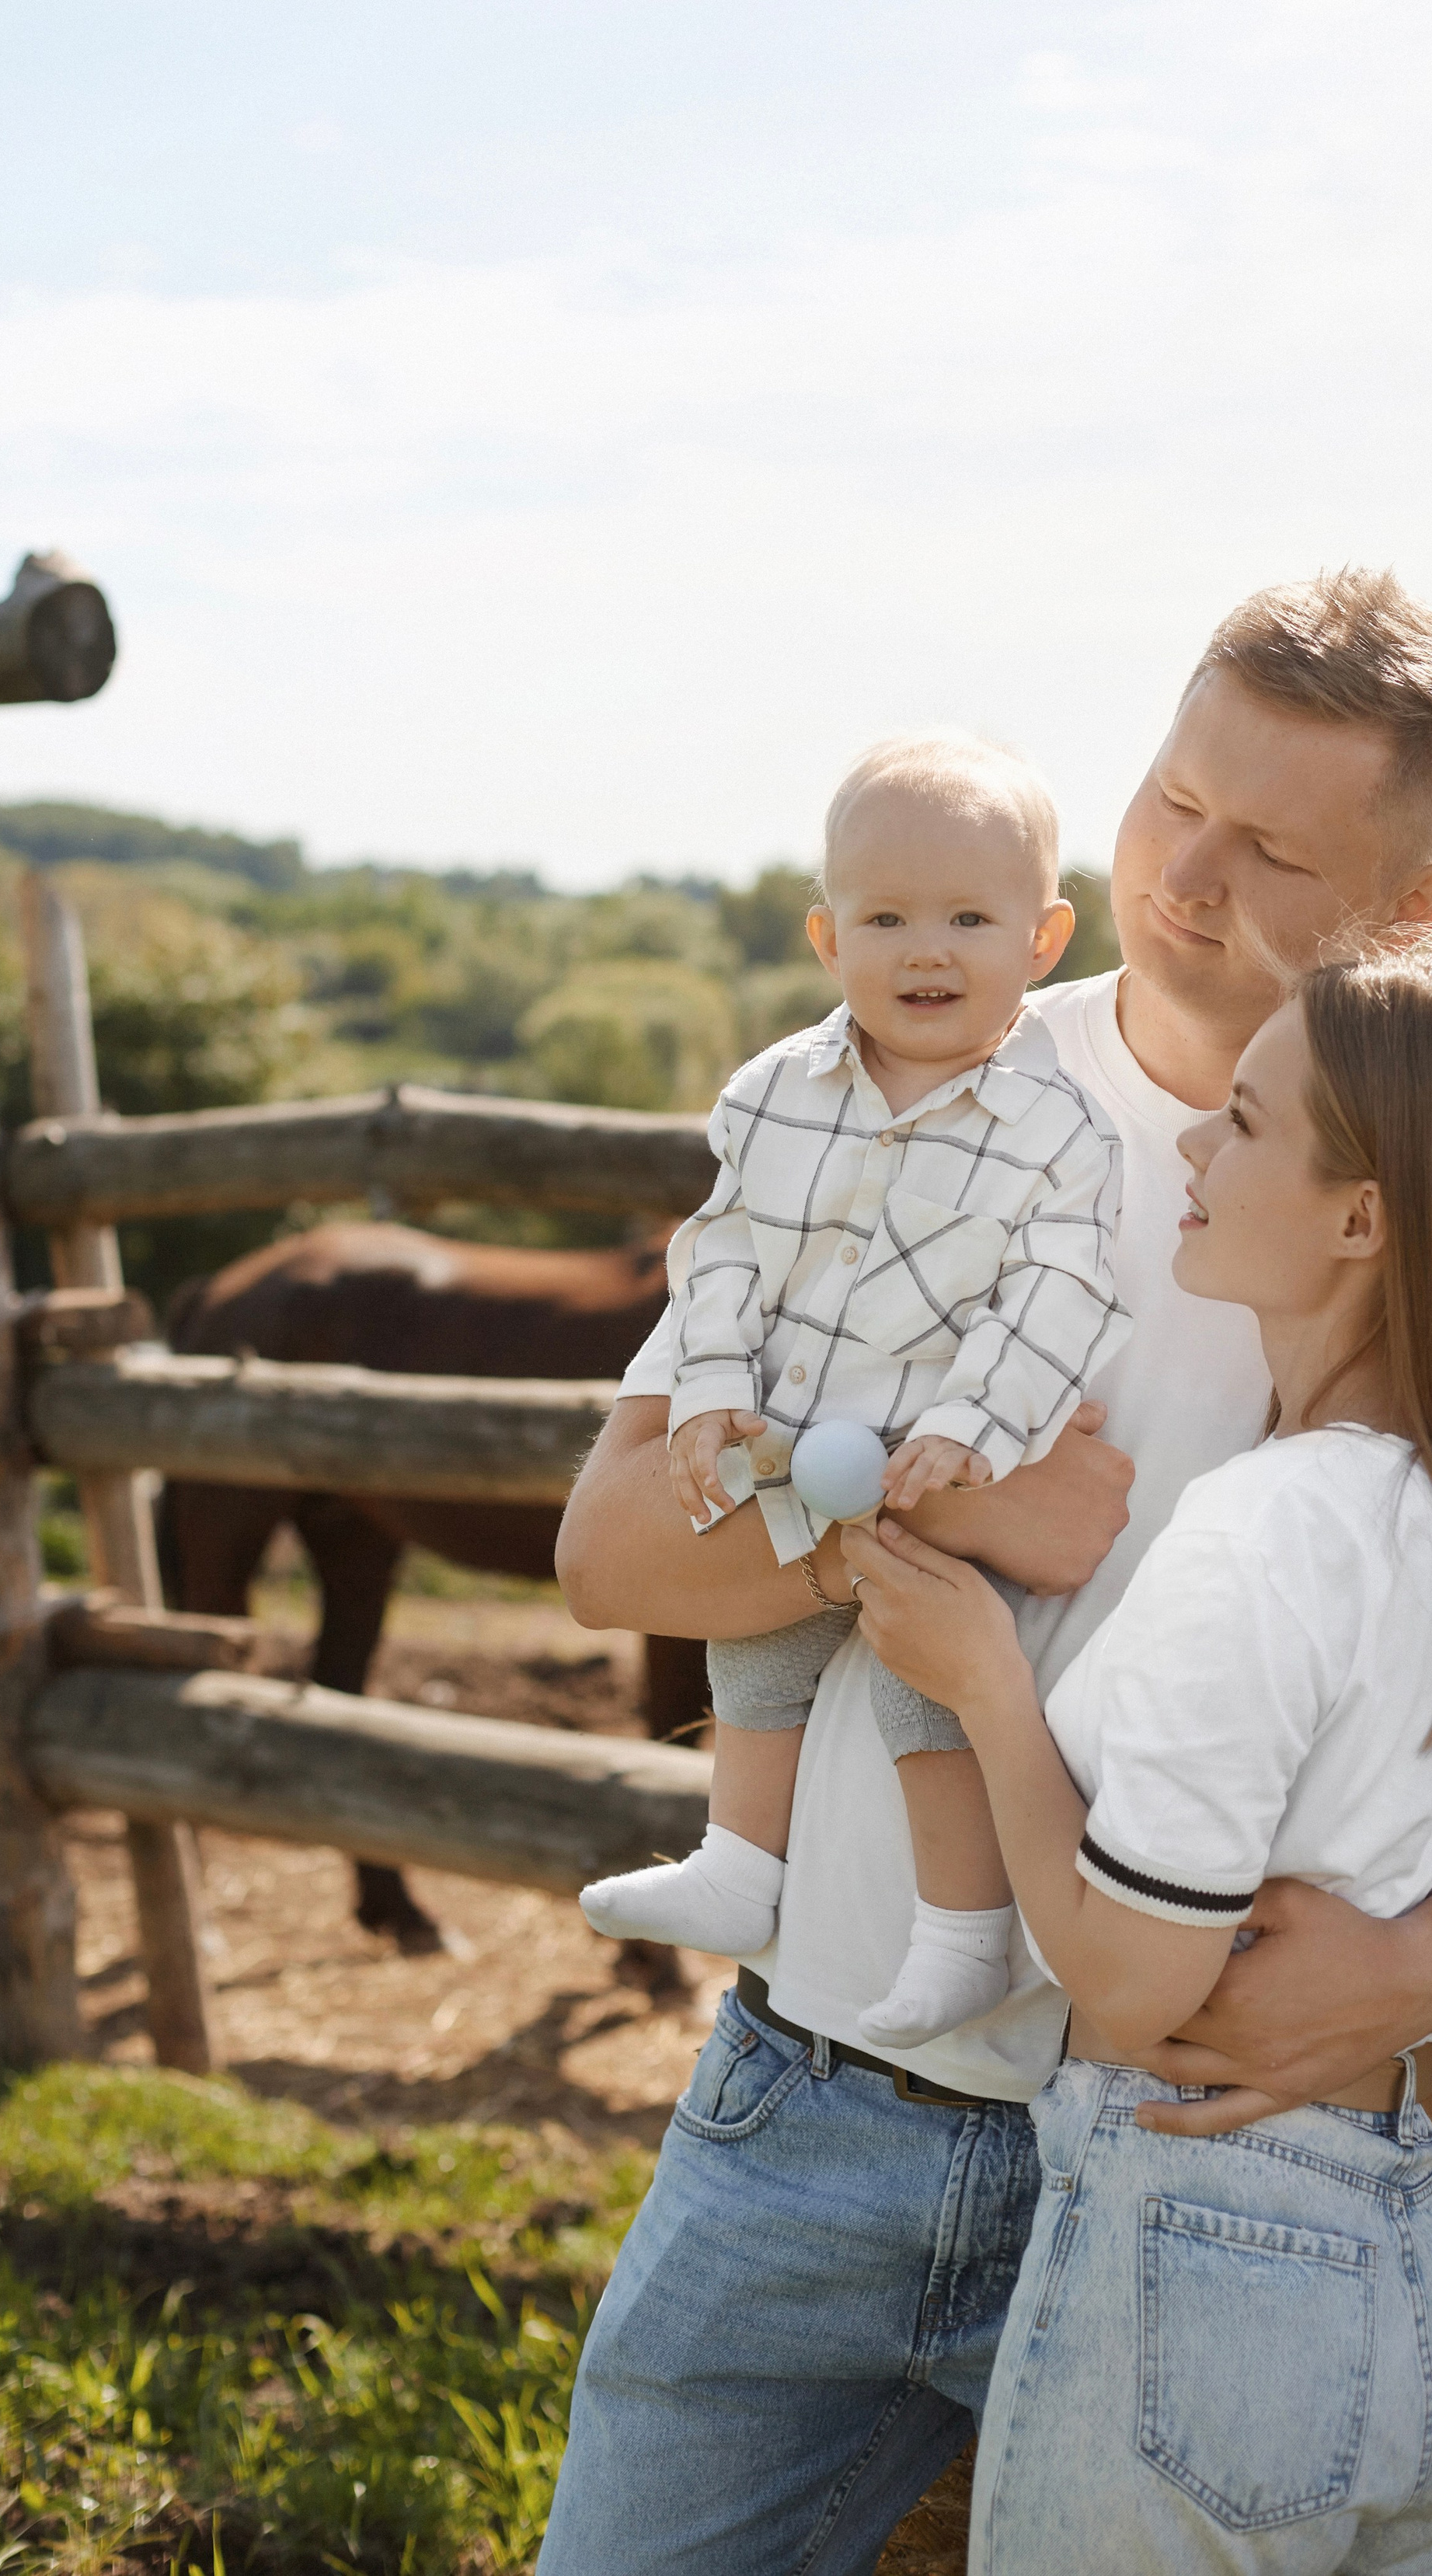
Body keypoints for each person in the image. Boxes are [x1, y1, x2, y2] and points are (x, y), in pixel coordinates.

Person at [537, 569, 1432, 2576]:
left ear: (1415, 904)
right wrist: (945, 1513)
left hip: (1218, 2156)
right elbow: (612, 1549)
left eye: (1277, 848)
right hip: (820, 2104)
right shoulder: (898, 1087)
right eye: (1172, 800)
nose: (1188, 875)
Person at [844, 951, 1432, 2571]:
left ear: (1359, 1217)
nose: (1189, 1148)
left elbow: (1133, 1979)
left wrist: (983, 1681)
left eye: (1243, 1122)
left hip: (1204, 2256)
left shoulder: (1271, 1524)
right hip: (1413, 2253)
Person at [578, 731, 1129, 2046]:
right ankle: (739, 1860)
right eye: (886, 917)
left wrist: (969, 1429)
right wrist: (709, 1388)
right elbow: (719, 1257)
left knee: (920, 1676)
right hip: (791, 1453)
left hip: (937, 1466)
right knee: (752, 1644)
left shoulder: (1057, 1130)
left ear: (1043, 940)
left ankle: (962, 1934)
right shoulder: (772, 1094)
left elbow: (1063, 1296)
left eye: (968, 918)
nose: (925, 950)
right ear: (828, 938)